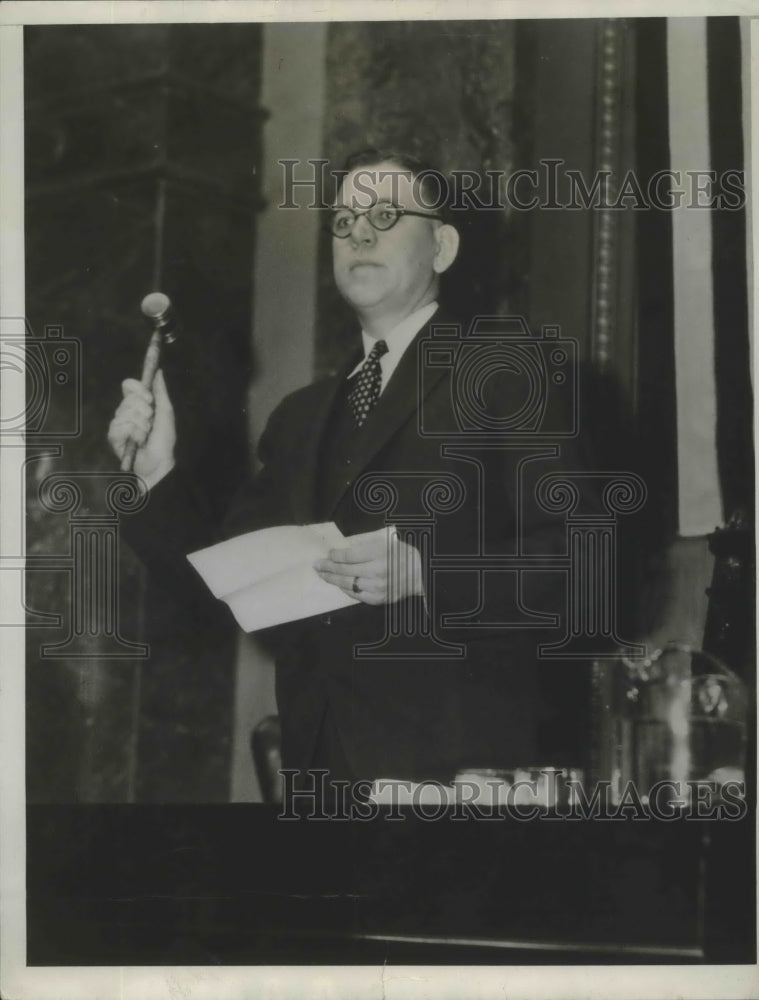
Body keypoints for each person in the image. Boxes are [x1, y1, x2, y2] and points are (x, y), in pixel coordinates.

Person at [108, 148, 585, 797]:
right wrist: (157, 470)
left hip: (465, 781)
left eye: (385, 215)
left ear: (442, 246)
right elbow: (227, 581)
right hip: (321, 777)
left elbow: (584, 567)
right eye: (342, 222)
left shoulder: (509, 371)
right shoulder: (300, 417)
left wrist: (424, 573)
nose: (358, 233)